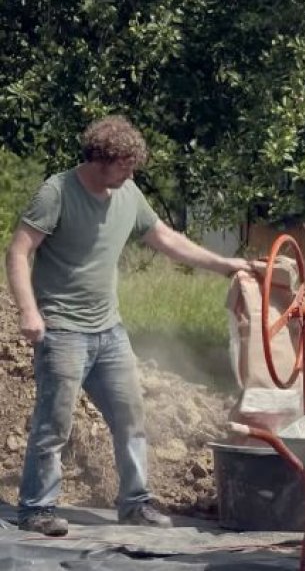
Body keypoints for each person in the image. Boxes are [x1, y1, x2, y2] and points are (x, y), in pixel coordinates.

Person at [5, 115, 255, 537]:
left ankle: (135, 503)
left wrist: (225, 265)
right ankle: (37, 508)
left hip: (109, 331)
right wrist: (28, 311)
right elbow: (17, 252)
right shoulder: (57, 191)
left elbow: (167, 239)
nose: (131, 174)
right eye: (124, 166)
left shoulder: (129, 193)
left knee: (130, 416)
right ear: (101, 160)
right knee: (55, 423)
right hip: (62, 329)